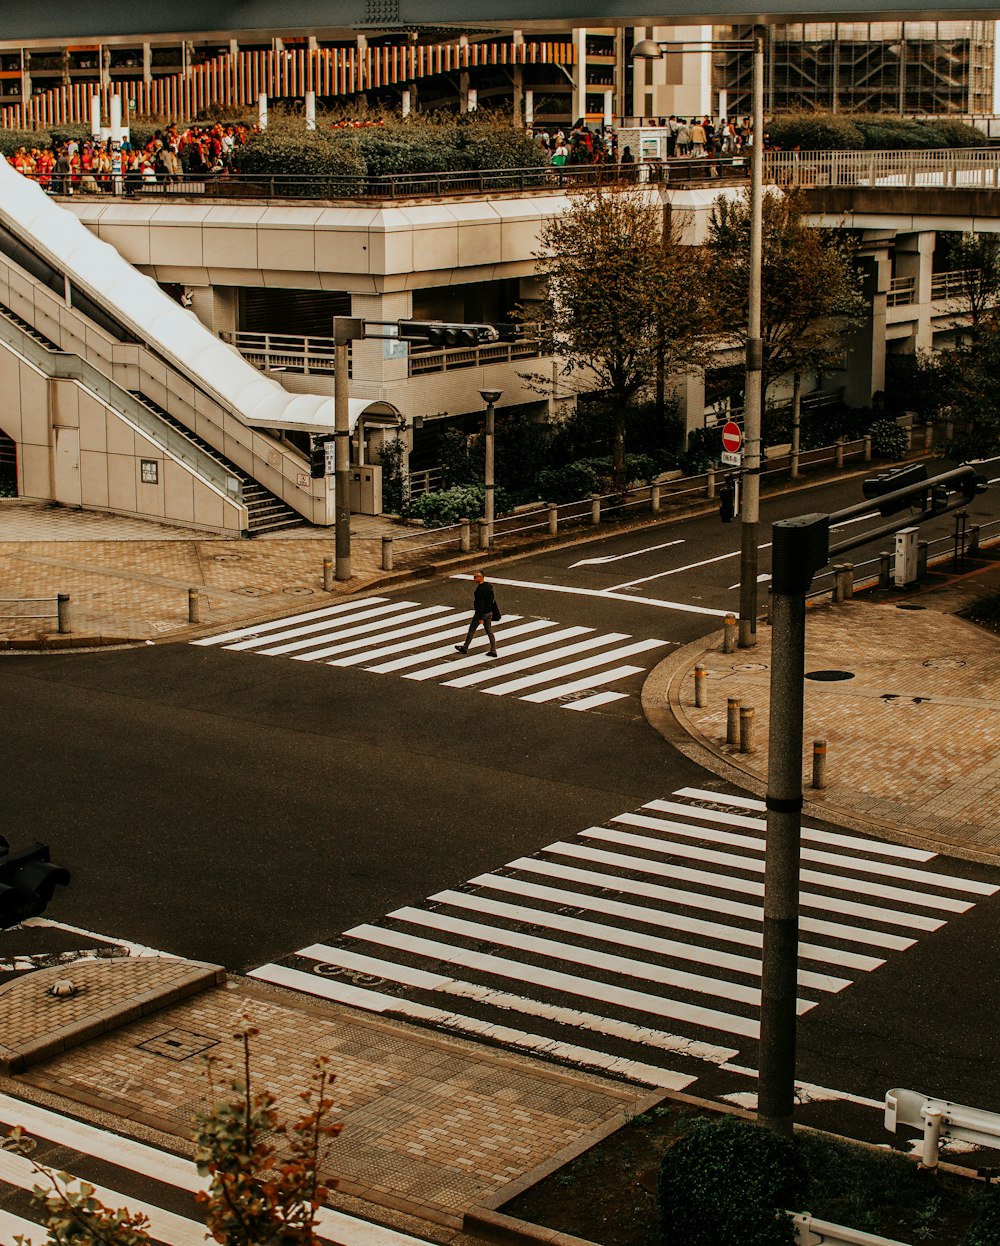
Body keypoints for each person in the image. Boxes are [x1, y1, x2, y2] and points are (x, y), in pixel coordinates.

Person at [455, 571, 500, 658]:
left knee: (471, 630)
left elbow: (479, 605)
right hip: (489, 612)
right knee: (489, 632)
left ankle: (465, 647)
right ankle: (493, 650)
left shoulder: (479, 590)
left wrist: (480, 617)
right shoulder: (489, 586)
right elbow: (492, 599)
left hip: (481, 614)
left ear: (481, 577)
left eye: (475, 577)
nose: (474, 579)